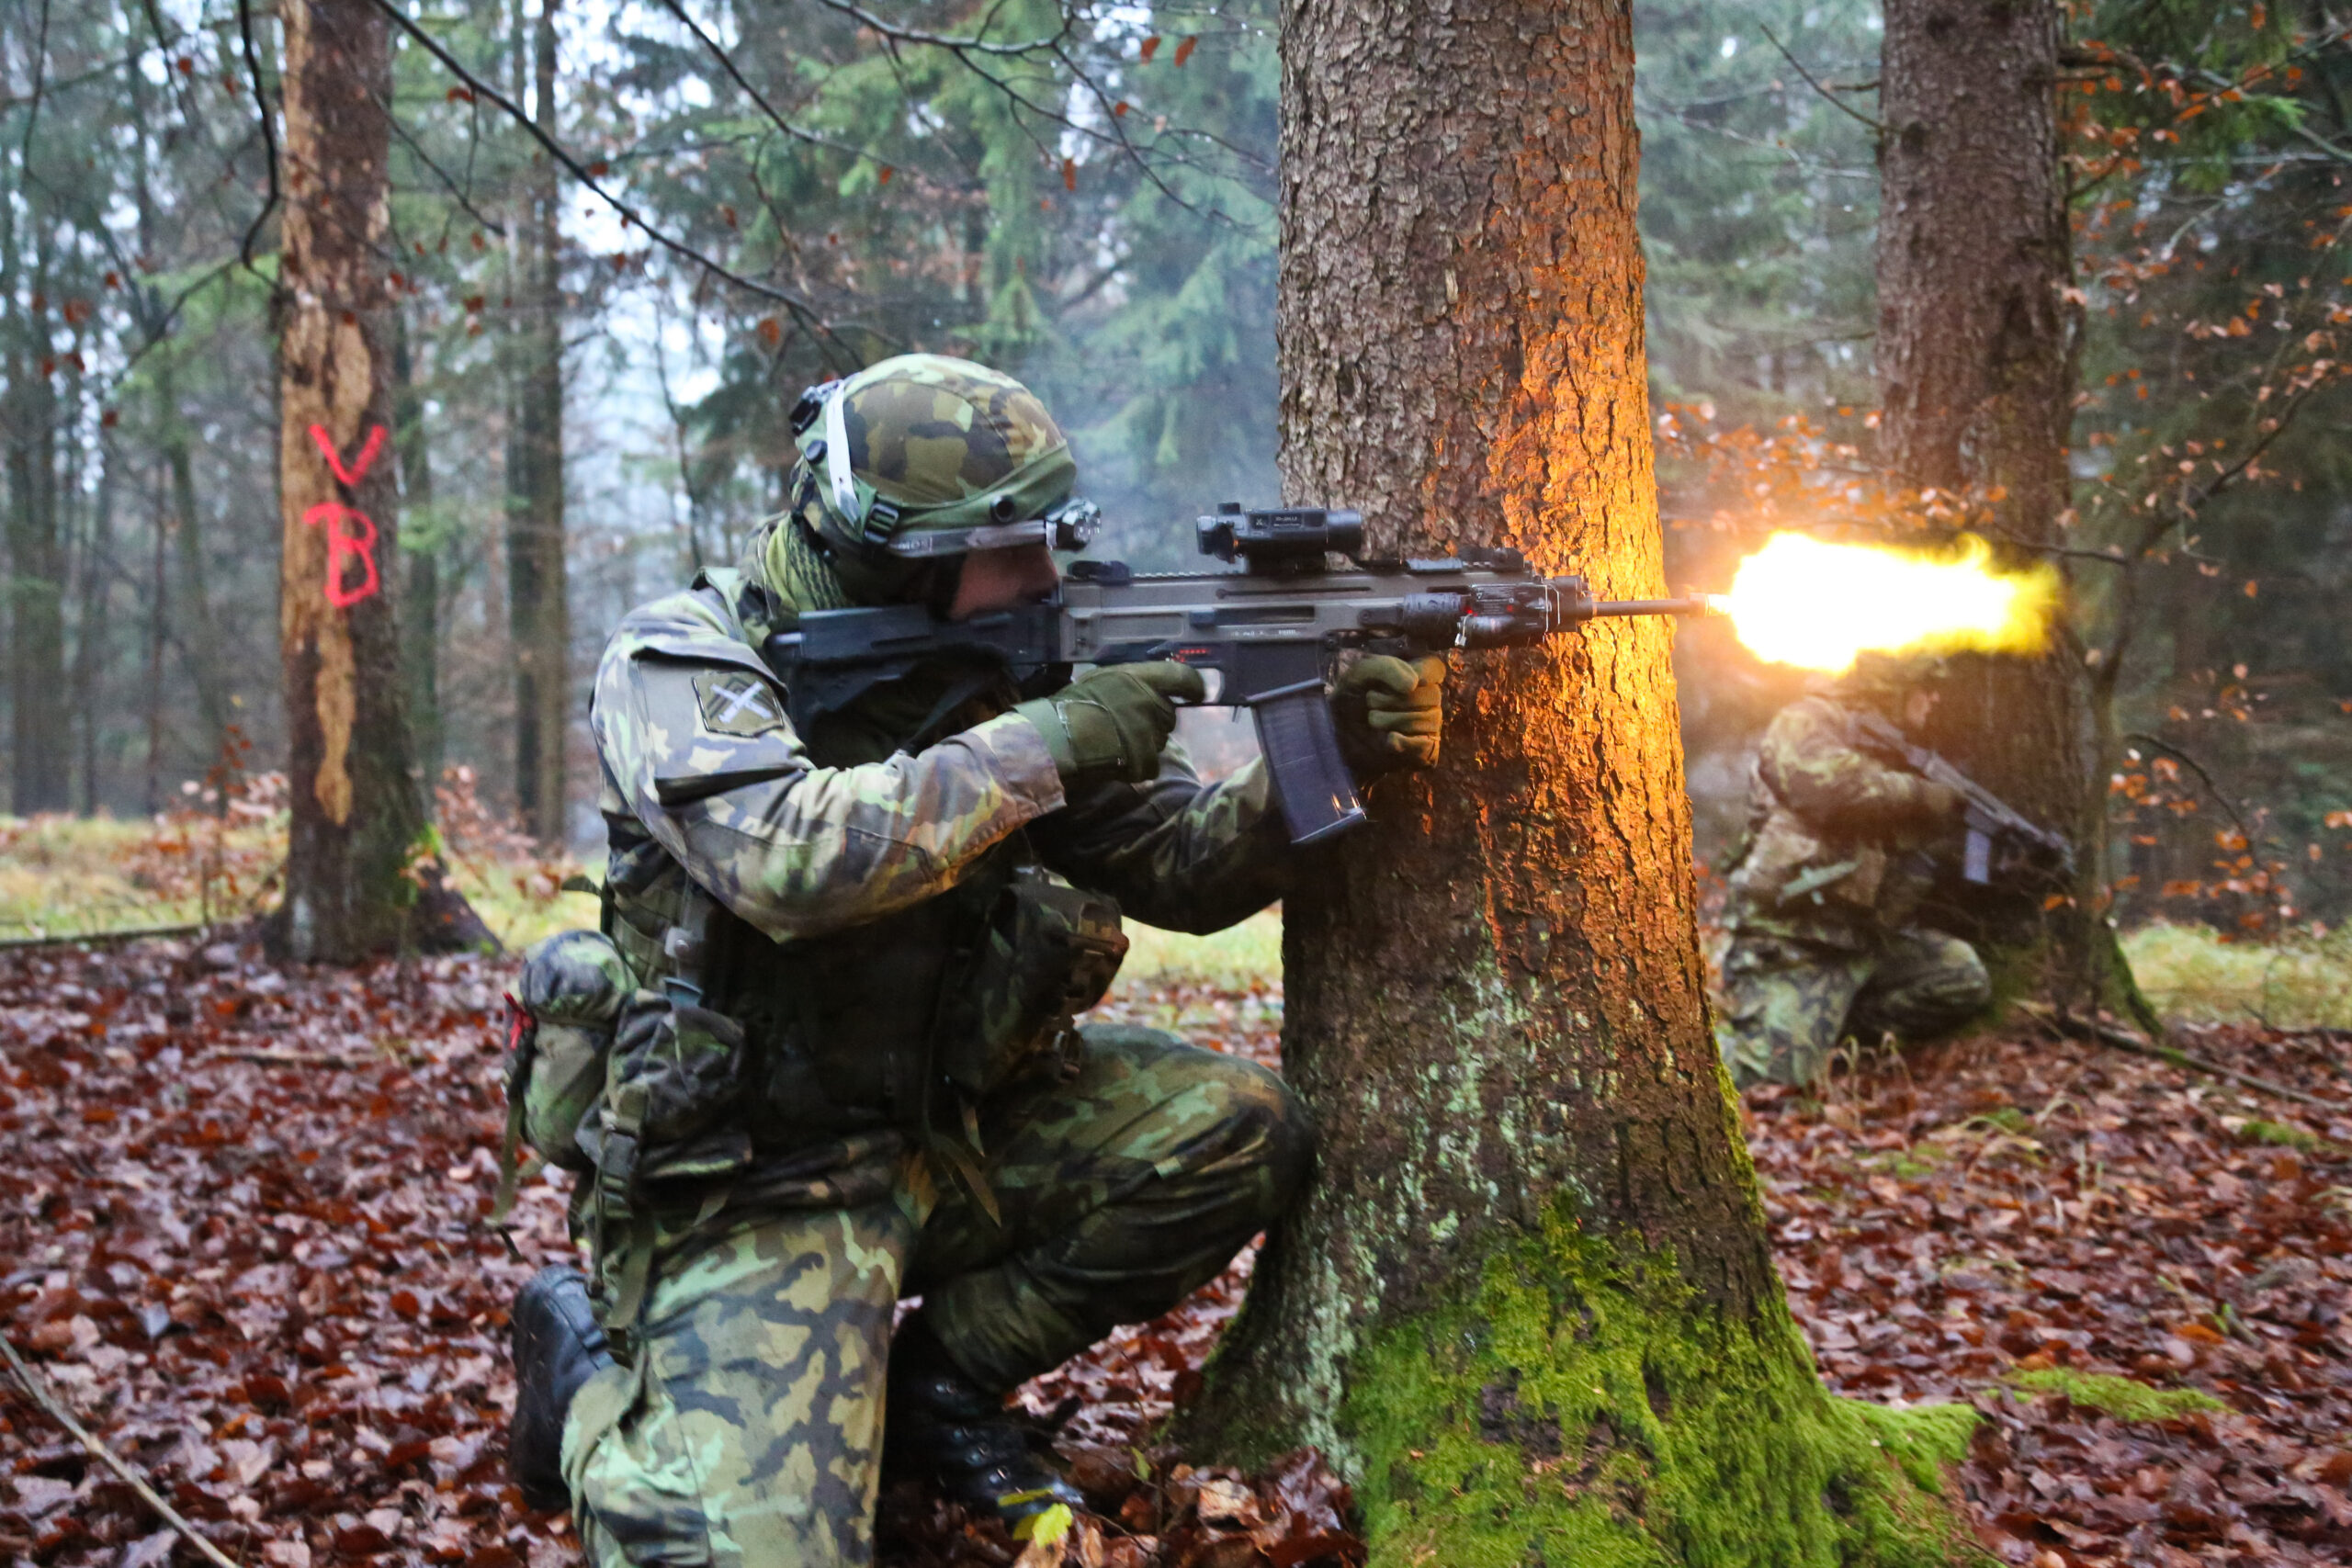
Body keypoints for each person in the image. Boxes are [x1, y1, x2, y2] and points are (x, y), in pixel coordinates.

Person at [508, 354, 1448, 1566]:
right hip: (755, 1180)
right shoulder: (680, 660)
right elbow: (788, 862)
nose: (1049, 572)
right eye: (1017, 546)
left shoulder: (1009, 659)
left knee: (1236, 1125)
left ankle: (931, 1387)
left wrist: (1329, 758)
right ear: (901, 553)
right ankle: (580, 1384)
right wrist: (1047, 742)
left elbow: (1172, 863)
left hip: (956, 1132)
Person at [1714, 652, 1994, 1091]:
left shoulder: (1902, 752)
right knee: (1763, 1084)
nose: (1934, 697)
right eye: (1925, 685)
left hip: (1865, 946)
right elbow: (1829, 788)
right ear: (1894, 687)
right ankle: (1764, 1039)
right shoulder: (1807, 721)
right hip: (1793, 944)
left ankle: (1825, 1026)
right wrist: (1924, 796)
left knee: (1960, 975)